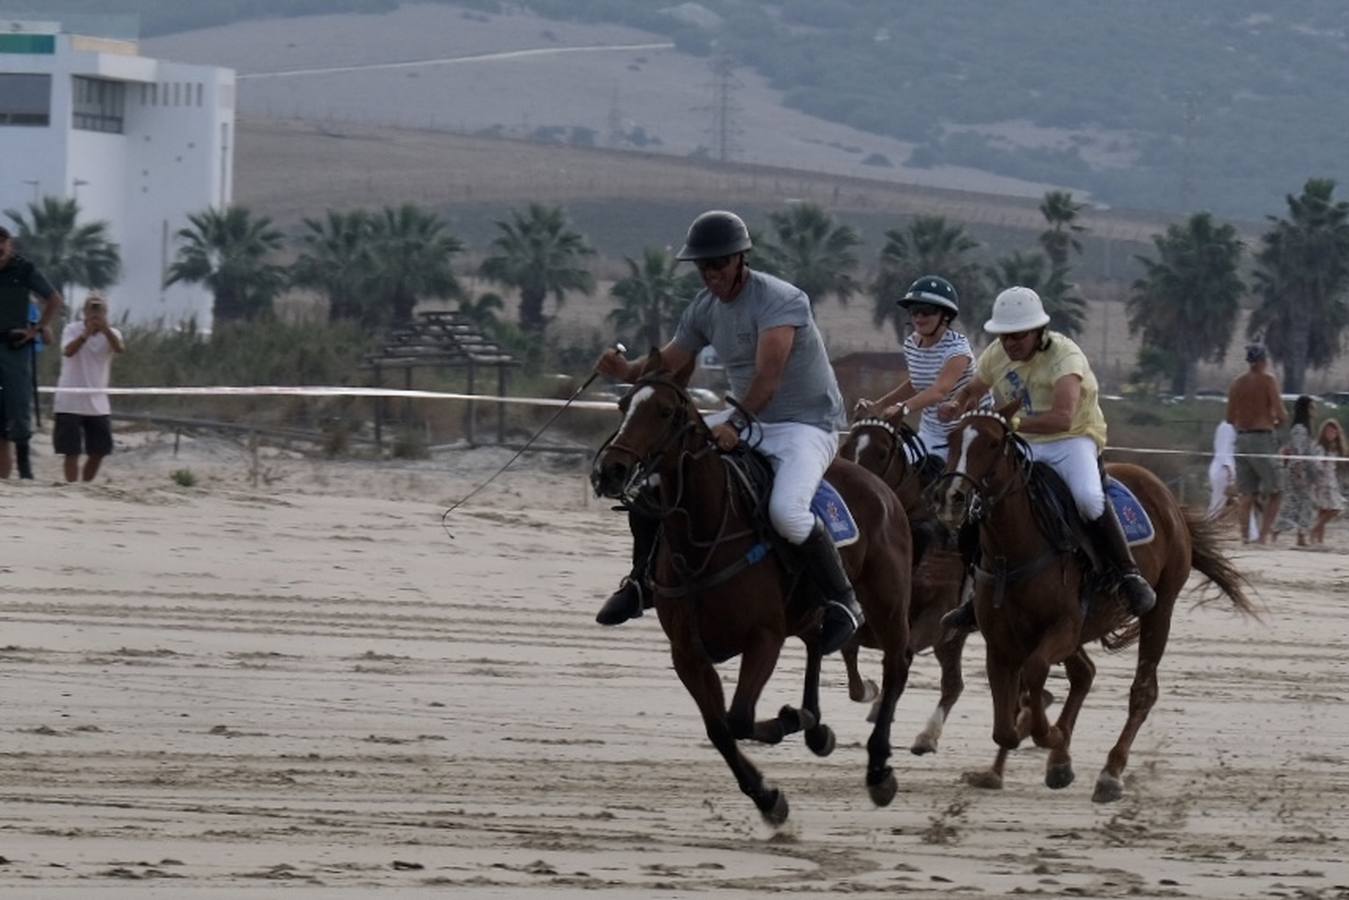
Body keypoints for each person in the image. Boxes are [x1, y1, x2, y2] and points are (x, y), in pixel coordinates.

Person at [591, 209, 863, 654]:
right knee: (651, 486)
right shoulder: (703, 308)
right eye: (703, 266)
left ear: (740, 259)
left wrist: (736, 423)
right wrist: (624, 369)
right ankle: (641, 583)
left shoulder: (780, 299)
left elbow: (768, 379)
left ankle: (843, 600)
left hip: (804, 425)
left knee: (787, 514)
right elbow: (669, 363)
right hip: (749, 418)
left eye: (718, 264)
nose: (711, 274)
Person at [936, 286, 1157, 632]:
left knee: (1088, 498)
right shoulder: (997, 354)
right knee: (980, 503)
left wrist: (1012, 423)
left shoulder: (1065, 357)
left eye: (1018, 335)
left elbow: (1062, 417)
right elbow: (974, 389)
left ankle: (1127, 575)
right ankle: (973, 594)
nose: (1011, 343)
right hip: (1022, 439)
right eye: (1005, 336)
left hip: (1071, 439)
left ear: (1039, 331)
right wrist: (957, 403)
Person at [853, 275, 979, 469]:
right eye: (914, 311)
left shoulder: (957, 351)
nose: (919, 317)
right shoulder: (912, 343)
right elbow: (917, 383)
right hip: (930, 433)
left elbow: (940, 391)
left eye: (926, 311)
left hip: (966, 435)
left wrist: (903, 408)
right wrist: (878, 406)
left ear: (945, 316)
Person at [0, 224, 64, 480]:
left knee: (18, 405)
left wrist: (37, 329)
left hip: (13, 346)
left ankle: (25, 471)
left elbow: (54, 299)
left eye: (2, 244)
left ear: (9, 246)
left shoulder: (23, 269)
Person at [54, 293, 124, 482]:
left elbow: (119, 349)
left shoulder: (113, 333)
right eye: (91, 310)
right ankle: (71, 486)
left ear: (105, 312)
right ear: (84, 312)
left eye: (99, 310)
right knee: (71, 450)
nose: (95, 314)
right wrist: (86, 333)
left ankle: (86, 484)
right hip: (70, 399)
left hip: (97, 400)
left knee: (100, 449)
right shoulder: (71, 329)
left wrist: (105, 329)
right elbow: (68, 351)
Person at [1226, 342, 1286, 543]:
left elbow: (1229, 418)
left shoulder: (1237, 383)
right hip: (1262, 438)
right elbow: (1280, 413)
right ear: (1263, 360)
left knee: (1246, 493)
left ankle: (1244, 537)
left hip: (1241, 438)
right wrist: (1275, 423)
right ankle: (1263, 536)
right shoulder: (1268, 380)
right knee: (1277, 490)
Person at [1309, 418, 1346, 544]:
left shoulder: (1334, 448)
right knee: (1335, 508)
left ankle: (1318, 540)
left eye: (1334, 432)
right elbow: (1316, 464)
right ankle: (1314, 530)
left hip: (1331, 482)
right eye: (1329, 431)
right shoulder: (1320, 447)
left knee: (1324, 511)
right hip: (1322, 483)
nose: (1331, 434)